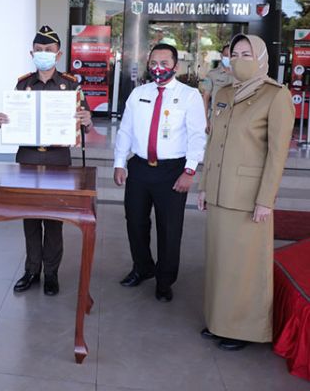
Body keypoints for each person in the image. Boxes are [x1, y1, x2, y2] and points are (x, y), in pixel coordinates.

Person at [197, 34, 295, 351]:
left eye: (246, 53)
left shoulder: (275, 96)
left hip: (249, 197)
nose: (238, 59)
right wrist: (204, 186)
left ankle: (244, 329)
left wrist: (266, 200)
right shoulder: (224, 92)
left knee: (245, 266)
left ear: (262, 57)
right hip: (220, 192)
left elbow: (277, 154)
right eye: (234, 53)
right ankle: (219, 321)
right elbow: (213, 144)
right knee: (220, 263)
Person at [0, 25, 93, 296]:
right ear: (31, 53)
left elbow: (84, 123)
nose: (43, 54)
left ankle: (51, 273)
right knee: (29, 218)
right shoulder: (23, 83)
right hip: (27, 158)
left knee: (53, 219)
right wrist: (2, 121)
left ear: (58, 54)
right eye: (39, 50)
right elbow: (11, 120)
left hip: (58, 159)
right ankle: (31, 270)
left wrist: (87, 119)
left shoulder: (71, 84)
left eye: (48, 50)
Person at [113, 43, 206, 302]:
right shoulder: (138, 93)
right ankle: (142, 268)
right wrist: (119, 162)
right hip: (140, 168)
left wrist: (189, 171)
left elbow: (198, 136)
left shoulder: (189, 96)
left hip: (172, 171)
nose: (158, 68)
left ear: (176, 66)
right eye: (154, 62)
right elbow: (126, 130)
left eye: (164, 63)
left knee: (169, 228)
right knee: (135, 222)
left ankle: (165, 281)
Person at [200, 44, 233, 133]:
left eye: (231, 56)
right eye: (226, 55)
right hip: (216, 117)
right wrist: (205, 120)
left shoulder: (241, 75)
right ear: (221, 56)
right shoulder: (212, 74)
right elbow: (205, 98)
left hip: (235, 119)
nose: (228, 58)